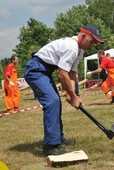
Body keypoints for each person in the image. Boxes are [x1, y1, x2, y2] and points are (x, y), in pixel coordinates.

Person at [24, 24, 104, 156]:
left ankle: (58, 138)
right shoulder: (71, 47)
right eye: (91, 41)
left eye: (95, 43)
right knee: (52, 102)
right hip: (35, 70)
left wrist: (71, 93)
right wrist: (72, 96)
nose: (92, 45)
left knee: (56, 102)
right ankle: (50, 145)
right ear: (83, 35)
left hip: (45, 71)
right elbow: (62, 75)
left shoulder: (80, 50)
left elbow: (72, 74)